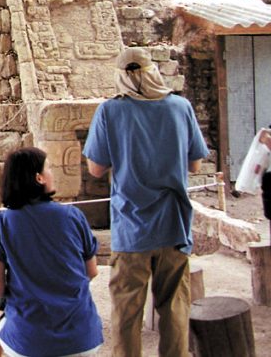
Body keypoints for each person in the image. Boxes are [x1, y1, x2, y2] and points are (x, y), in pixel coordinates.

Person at [83, 47, 209, 357]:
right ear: (154, 71)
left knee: (127, 313)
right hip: (174, 225)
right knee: (175, 309)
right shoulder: (180, 107)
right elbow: (195, 165)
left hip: (132, 227)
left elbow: (96, 168)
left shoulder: (110, 111)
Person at [0, 147, 104, 357]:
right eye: (49, 168)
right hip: (84, 339)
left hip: (31, 344)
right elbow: (91, 271)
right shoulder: (74, 216)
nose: (52, 173)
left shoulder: (2, 223)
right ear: (39, 178)